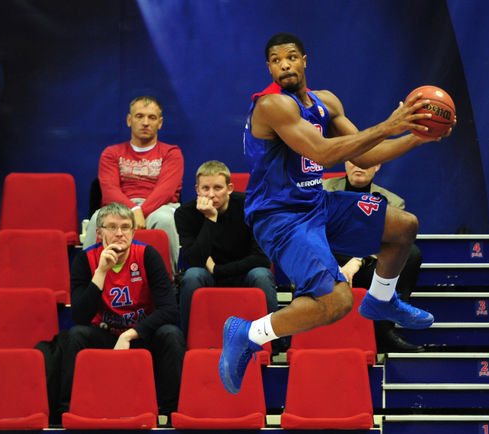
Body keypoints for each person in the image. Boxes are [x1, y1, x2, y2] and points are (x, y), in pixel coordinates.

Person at [219, 32, 454, 394]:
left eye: (291, 57)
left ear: (304, 60)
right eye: (276, 60)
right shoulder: (272, 106)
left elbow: (363, 156)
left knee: (403, 227)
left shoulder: (325, 102)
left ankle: (381, 299)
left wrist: (415, 136)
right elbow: (324, 153)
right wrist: (390, 125)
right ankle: (248, 333)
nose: (284, 65)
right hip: (280, 218)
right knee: (337, 301)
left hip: (316, 204)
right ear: (269, 68)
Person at [61, 202, 185, 417]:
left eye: (125, 227)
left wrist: (129, 335)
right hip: (105, 333)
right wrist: (101, 272)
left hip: (141, 335)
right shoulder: (85, 260)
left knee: (171, 334)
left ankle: (173, 412)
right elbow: (80, 316)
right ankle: (66, 411)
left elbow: (169, 310)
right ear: (99, 233)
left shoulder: (147, 255)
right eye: (112, 227)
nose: (119, 233)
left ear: (133, 232)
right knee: (75, 336)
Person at [323, 161, 424, 352]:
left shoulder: (392, 202)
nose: (359, 166)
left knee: (410, 254)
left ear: (377, 165)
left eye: (366, 161)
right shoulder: (322, 190)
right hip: (327, 260)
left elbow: (390, 243)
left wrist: (357, 260)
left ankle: (384, 331)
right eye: (354, 160)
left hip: (367, 266)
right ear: (345, 162)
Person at [175, 160, 277, 336]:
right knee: (192, 276)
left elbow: (262, 259)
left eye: (218, 188)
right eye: (205, 188)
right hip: (208, 276)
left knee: (261, 275)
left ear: (229, 189)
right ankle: (186, 341)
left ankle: (273, 343)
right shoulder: (185, 213)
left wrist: (218, 270)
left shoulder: (250, 207)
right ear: (197, 190)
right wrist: (210, 219)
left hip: (244, 274)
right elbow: (194, 260)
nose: (211, 195)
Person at [83, 96, 183, 273]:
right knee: (96, 219)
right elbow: (110, 191)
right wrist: (133, 212)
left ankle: (169, 280)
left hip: (160, 206)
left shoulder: (171, 153)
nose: (145, 122)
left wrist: (141, 212)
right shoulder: (111, 153)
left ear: (160, 123)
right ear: (129, 120)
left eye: (152, 117)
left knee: (165, 220)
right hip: (120, 206)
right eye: (139, 116)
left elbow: (166, 191)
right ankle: (88, 278)